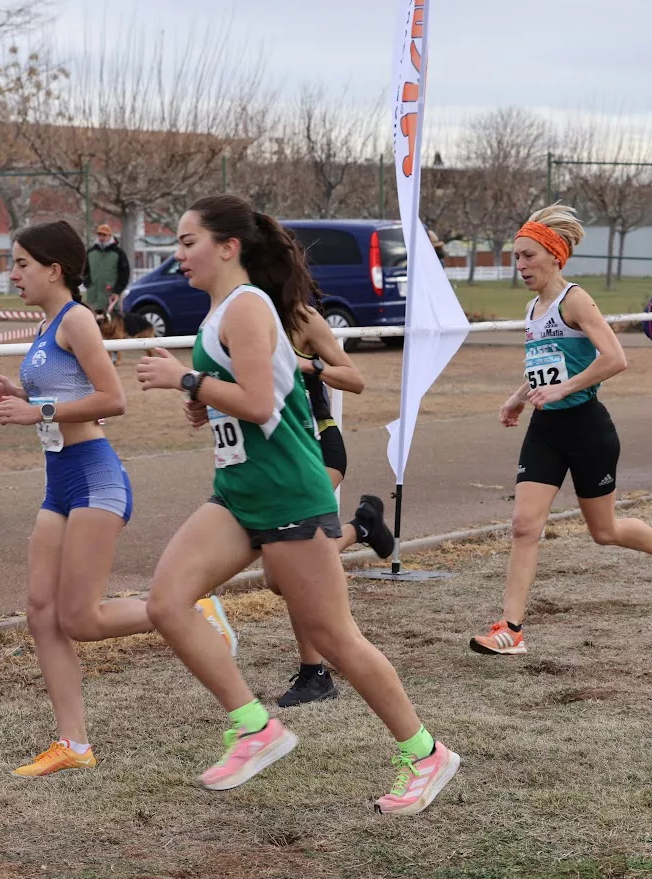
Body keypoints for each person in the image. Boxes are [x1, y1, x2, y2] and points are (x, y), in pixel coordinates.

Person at [135, 194, 459, 815]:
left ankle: (424, 752)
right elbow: (254, 403)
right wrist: (206, 401)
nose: (177, 255)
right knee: (166, 601)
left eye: (188, 242)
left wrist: (187, 380)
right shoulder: (221, 311)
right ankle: (255, 726)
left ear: (228, 246)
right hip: (238, 493)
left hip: (287, 492)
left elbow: (259, 403)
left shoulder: (249, 306)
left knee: (334, 639)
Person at [0, 220, 236, 777]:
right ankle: (74, 745)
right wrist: (18, 392)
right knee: (41, 614)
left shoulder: (75, 319)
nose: (13, 273)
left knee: (82, 619)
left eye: (22, 263)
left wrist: (36, 411)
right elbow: (64, 391)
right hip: (60, 482)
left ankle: (190, 614)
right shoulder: (48, 321)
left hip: (96, 478)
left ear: (53, 269)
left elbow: (112, 398)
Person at [469, 203, 652, 656]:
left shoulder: (576, 299)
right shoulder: (534, 307)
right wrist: (519, 396)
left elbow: (615, 358)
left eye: (529, 256)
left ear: (555, 255)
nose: (521, 265)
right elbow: (545, 367)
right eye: (517, 257)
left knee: (604, 531)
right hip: (545, 429)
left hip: (588, 428)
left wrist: (564, 388)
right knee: (523, 526)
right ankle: (511, 629)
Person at [272, 296, 394, 707]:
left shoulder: (302, 317)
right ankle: (362, 526)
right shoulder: (241, 314)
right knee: (279, 577)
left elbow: (354, 378)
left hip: (317, 448)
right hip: (272, 458)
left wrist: (306, 365)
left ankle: (314, 673)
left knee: (297, 565)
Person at [82, 224, 131, 316]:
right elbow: (84, 271)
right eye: (100, 235)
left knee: (112, 327)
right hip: (93, 298)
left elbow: (124, 274)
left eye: (104, 235)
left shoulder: (118, 253)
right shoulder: (90, 252)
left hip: (111, 298)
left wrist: (117, 290)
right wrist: (88, 283)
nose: (102, 237)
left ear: (110, 236)